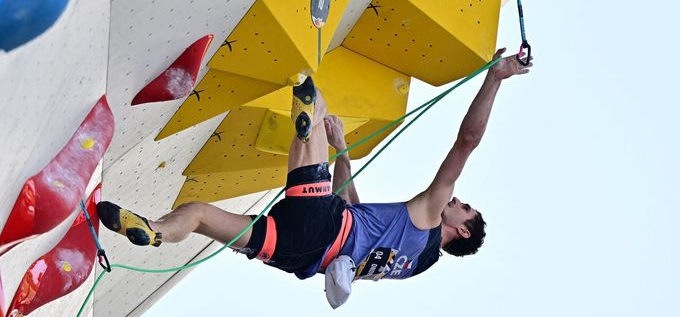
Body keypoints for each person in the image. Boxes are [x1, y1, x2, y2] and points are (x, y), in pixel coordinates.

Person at [97, 47, 532, 308]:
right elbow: (359, 213)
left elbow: (466, 142)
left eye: (464, 206)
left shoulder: (431, 216)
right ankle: (154, 232)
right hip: (295, 254)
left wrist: (494, 78)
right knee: (196, 216)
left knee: (315, 104)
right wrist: (342, 149)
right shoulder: (411, 264)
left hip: (323, 221)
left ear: (459, 229)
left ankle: (307, 124)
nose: (457, 201)